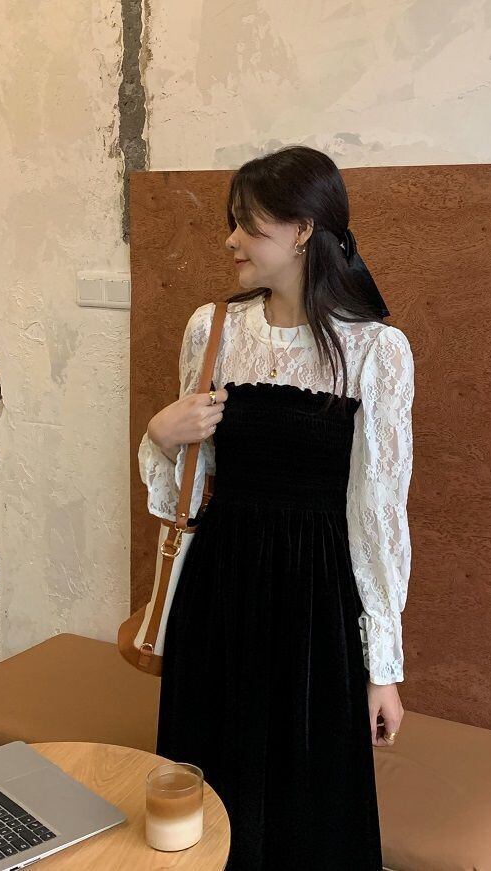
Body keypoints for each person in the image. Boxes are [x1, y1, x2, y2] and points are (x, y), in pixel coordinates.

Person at [137, 144, 415, 870]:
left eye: (248, 224)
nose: (231, 239)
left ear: (303, 231)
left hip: (317, 606)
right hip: (219, 591)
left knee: (309, 806)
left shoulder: (377, 351)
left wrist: (382, 668)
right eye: (232, 223)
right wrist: (160, 434)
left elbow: (379, 519)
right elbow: (185, 491)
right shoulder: (212, 329)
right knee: (209, 787)